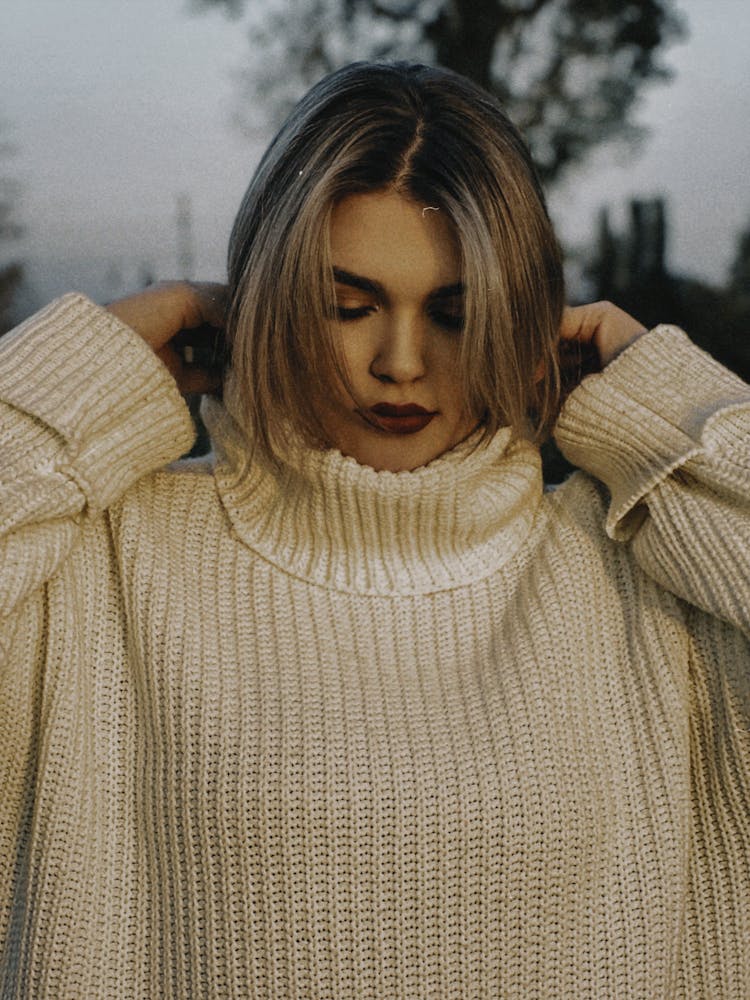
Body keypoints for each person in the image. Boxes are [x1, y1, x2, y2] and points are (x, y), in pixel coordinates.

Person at [0, 60, 748, 999]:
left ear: (520, 319)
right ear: (264, 303)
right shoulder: (103, 564)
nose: (400, 363)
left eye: (456, 314)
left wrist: (662, 402)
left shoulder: (640, 575)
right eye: (345, 308)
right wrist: (91, 371)